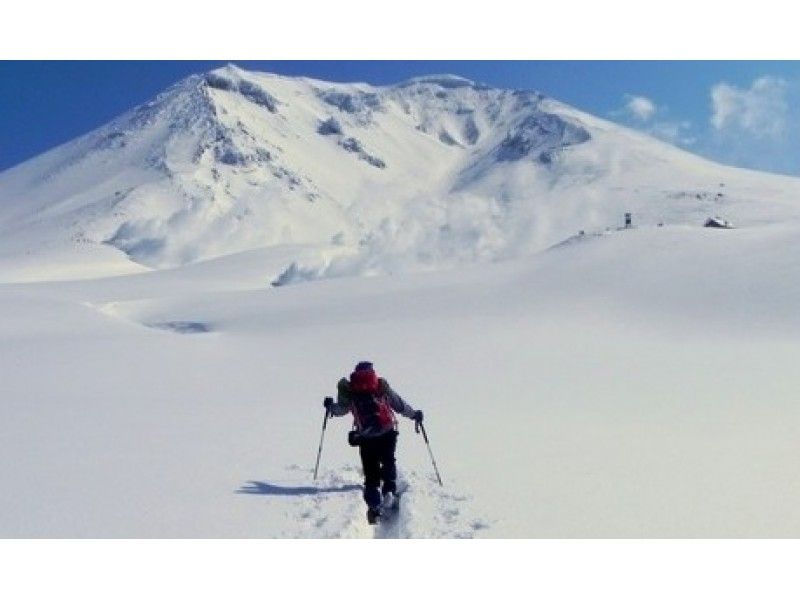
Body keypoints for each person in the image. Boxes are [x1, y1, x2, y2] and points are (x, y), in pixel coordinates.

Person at [323, 361, 423, 524]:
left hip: (366, 436)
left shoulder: (351, 390)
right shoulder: (380, 386)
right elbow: (399, 404)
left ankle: (374, 504)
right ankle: (389, 489)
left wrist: (330, 407)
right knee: (389, 460)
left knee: (371, 470)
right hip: (387, 432)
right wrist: (414, 415)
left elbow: (341, 409)